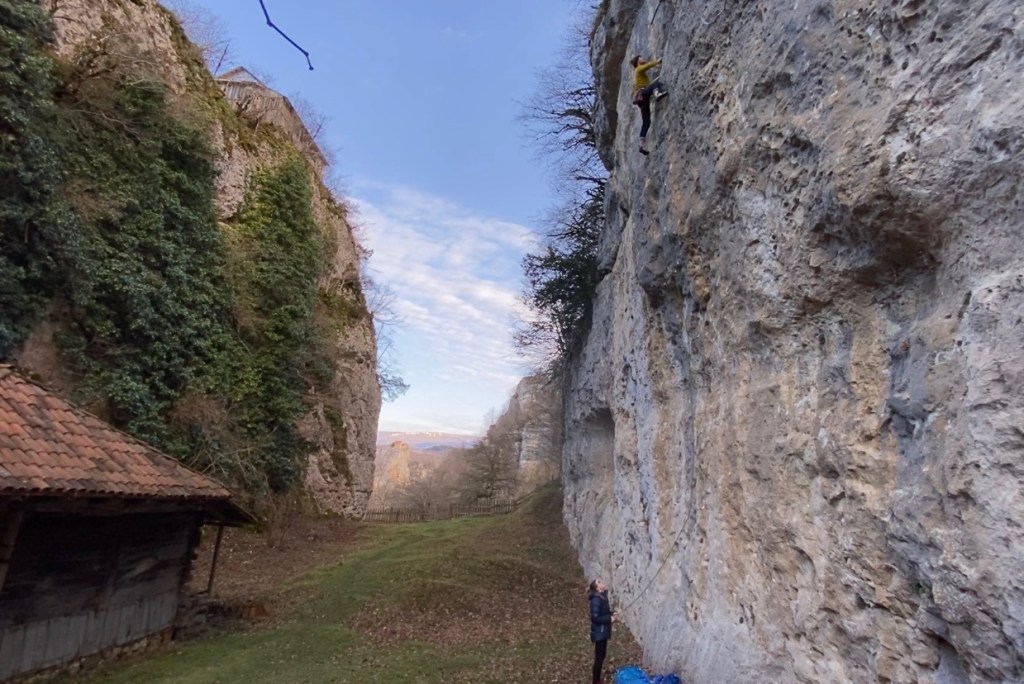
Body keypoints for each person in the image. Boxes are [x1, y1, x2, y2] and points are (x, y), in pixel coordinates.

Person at [630, 54, 668, 155]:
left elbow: (635, 87)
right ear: (638, 61)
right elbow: (647, 66)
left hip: (641, 99)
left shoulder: (638, 73)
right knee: (655, 84)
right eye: (641, 58)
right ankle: (657, 94)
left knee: (646, 122)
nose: (643, 59)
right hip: (643, 94)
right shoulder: (638, 69)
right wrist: (658, 61)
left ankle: (641, 144)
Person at [588, 578, 618, 684]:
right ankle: (596, 681)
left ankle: (597, 680)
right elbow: (595, 617)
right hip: (599, 632)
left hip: (603, 632)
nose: (601, 582)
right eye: (598, 582)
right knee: (599, 658)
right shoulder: (596, 599)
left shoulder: (602, 597)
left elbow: (602, 612)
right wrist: (609, 619)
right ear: (597, 588)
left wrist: (611, 614)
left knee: (601, 656)